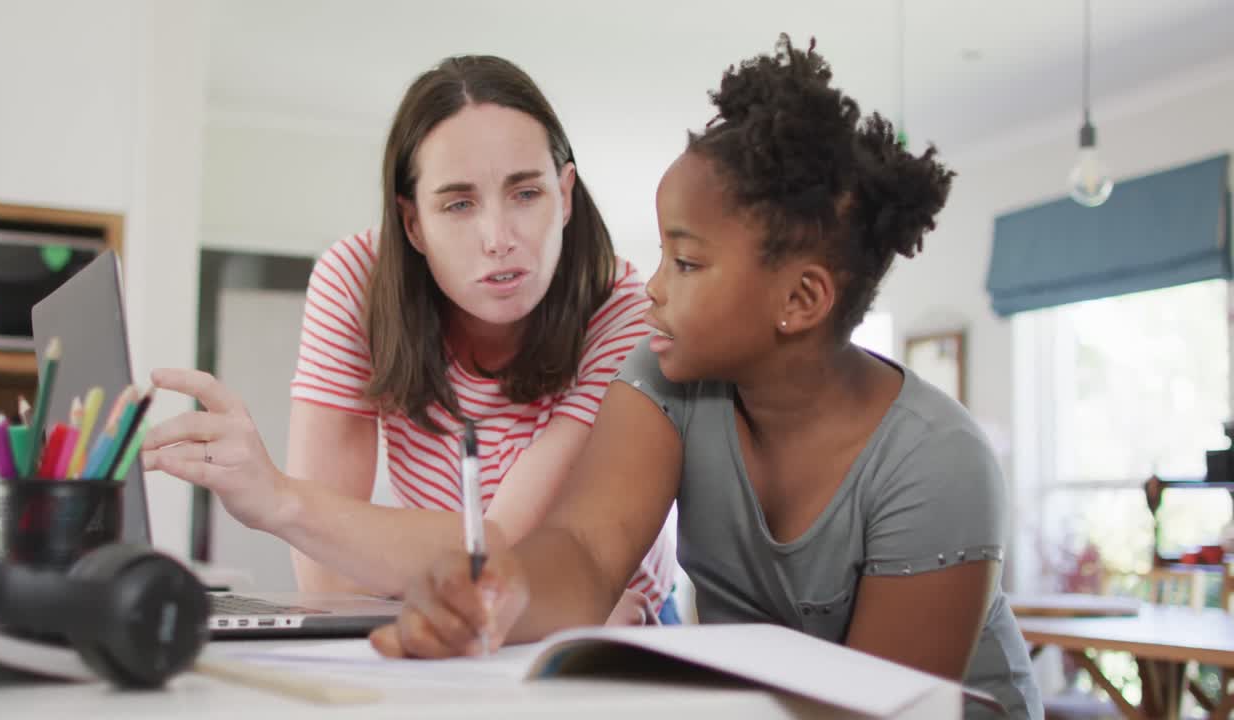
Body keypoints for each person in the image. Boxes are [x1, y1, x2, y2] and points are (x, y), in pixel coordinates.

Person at [369, 36, 1041, 719]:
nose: (652, 287)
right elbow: (585, 548)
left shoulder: (937, 463)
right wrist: (496, 590)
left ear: (799, 301)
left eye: (685, 263)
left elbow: (875, 708)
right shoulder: (665, 379)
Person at [141, 54, 678, 622]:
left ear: (564, 194)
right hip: (443, 604)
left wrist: (279, 500)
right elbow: (326, 578)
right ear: (413, 222)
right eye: (459, 203)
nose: (499, 238)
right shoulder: (357, 282)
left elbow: (497, 547)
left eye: (526, 194)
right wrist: (325, 528)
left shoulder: (621, 309)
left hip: (610, 612)